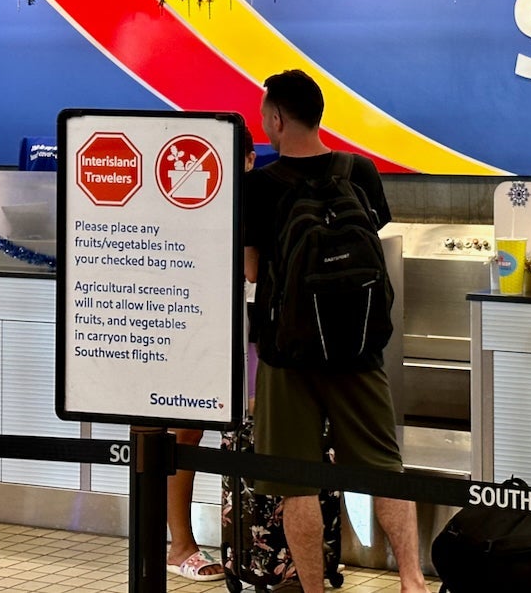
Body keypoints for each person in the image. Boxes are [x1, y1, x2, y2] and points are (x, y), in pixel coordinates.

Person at [242, 69, 428, 593]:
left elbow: (253, 272)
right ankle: (412, 580)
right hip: (358, 348)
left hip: (288, 354)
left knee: (296, 481)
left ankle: (313, 588)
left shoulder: (260, 185)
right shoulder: (359, 171)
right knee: (383, 467)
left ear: (277, 118)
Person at [162, 141, 260, 580]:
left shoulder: (255, 197)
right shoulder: (187, 203)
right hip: (196, 327)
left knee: (236, 432)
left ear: (249, 160)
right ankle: (179, 544)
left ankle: (247, 547)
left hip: (245, 328)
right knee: (185, 432)